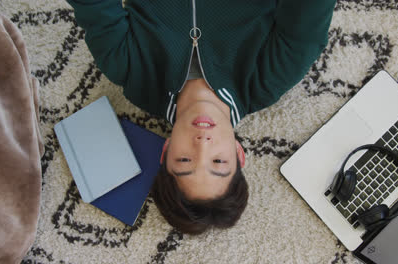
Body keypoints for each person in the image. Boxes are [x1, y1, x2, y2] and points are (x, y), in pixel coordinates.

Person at [66, 0, 336, 234]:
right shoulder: (271, 77)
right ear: (238, 153)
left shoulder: (130, 72)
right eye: (218, 160)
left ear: (165, 152)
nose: (203, 142)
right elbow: (308, 18)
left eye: (185, 160)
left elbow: (94, 8)